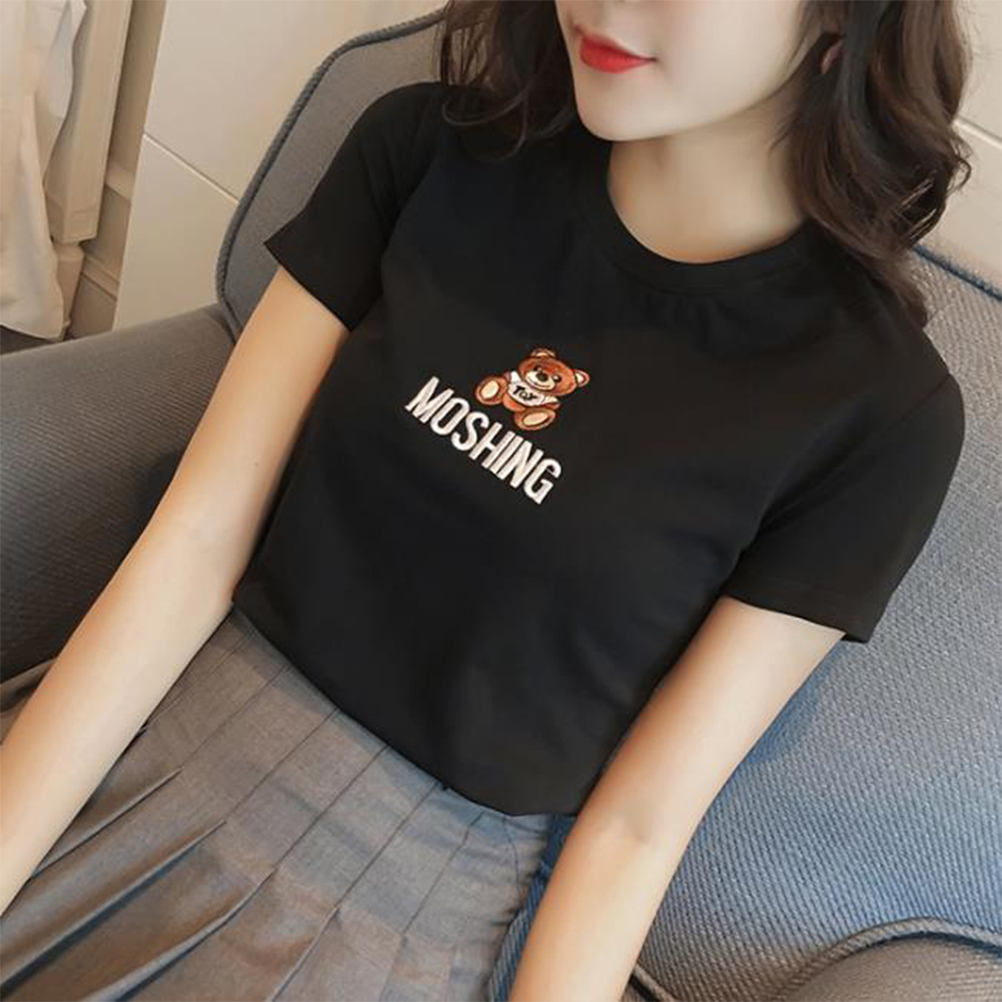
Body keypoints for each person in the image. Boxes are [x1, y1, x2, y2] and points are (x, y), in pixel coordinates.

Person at [0, 0, 973, 999]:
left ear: (841, 18)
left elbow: (638, 828)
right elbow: (192, 543)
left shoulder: (879, 414)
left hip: (401, 923)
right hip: (156, 748)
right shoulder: (429, 147)